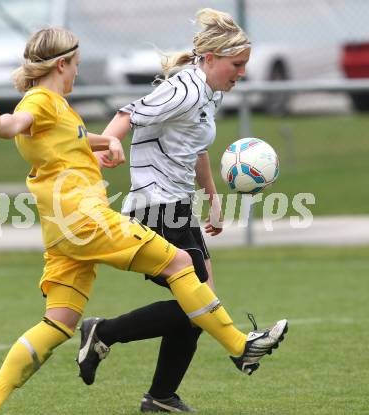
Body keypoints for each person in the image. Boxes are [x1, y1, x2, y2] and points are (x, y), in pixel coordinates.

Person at [0, 26, 287, 415]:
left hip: (62, 233)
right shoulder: (42, 100)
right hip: (86, 219)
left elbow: (72, 140)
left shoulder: (60, 109)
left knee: (59, 323)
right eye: (76, 66)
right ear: (61, 63)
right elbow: (18, 121)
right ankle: (239, 345)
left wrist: (108, 142)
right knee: (182, 265)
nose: (77, 73)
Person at [76, 8, 288, 413]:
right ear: (210, 58)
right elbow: (127, 114)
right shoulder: (184, 89)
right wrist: (106, 145)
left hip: (177, 205)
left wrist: (211, 198)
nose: (241, 72)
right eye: (237, 64)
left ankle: (159, 395)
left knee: (198, 306)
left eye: (244, 65)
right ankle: (107, 334)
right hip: (154, 205)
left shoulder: (210, 91)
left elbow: (197, 147)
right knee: (199, 301)